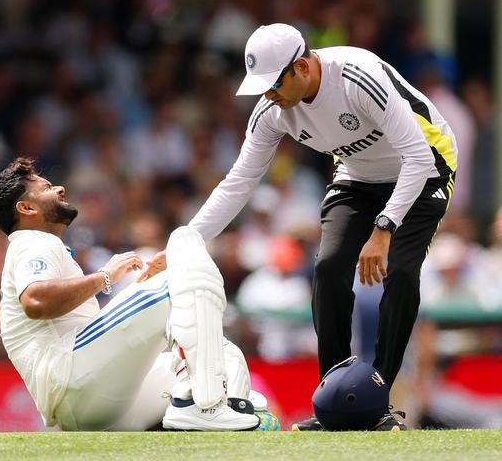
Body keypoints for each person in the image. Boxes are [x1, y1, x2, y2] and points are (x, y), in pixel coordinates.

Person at [139, 23, 458, 431]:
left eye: (274, 84)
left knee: (400, 270)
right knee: (327, 268)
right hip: (358, 177)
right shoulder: (272, 111)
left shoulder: (358, 78)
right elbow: (238, 182)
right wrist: (185, 243)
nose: (268, 95)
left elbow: (416, 156)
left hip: (426, 166)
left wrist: (384, 229)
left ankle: (377, 399)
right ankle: (334, 400)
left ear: (303, 67)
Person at [0, 157, 266, 431]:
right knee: (184, 258)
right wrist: (104, 277)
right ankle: (205, 407)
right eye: (46, 187)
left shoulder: (41, 244)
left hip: (100, 405)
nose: (59, 188)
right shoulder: (31, 241)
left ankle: (220, 409)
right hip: (74, 381)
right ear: (25, 207)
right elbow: (35, 301)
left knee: (225, 358)